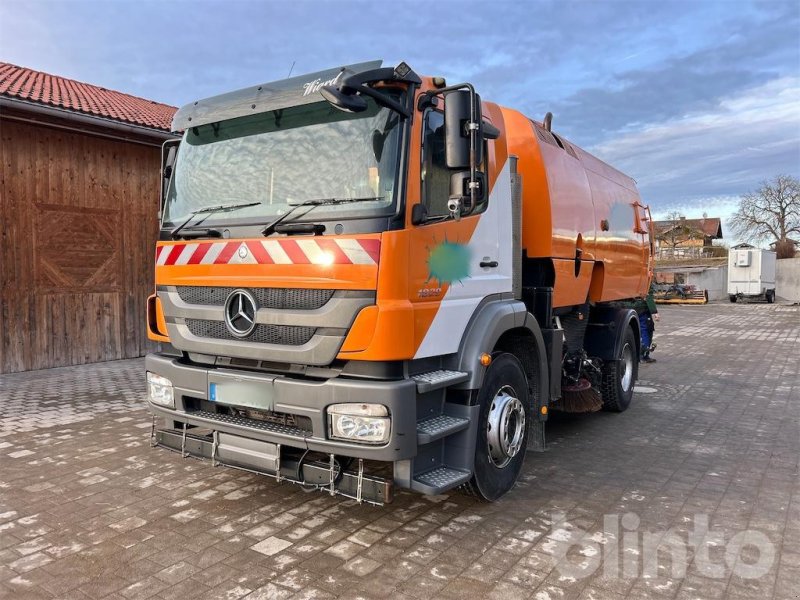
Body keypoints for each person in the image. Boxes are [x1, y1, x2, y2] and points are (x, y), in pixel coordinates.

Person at [637, 281, 660, 363]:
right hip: (643, 311)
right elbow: (648, 296)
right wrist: (655, 312)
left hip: (631, 310)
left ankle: (640, 355)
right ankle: (644, 356)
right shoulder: (645, 281)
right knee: (646, 332)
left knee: (640, 333)